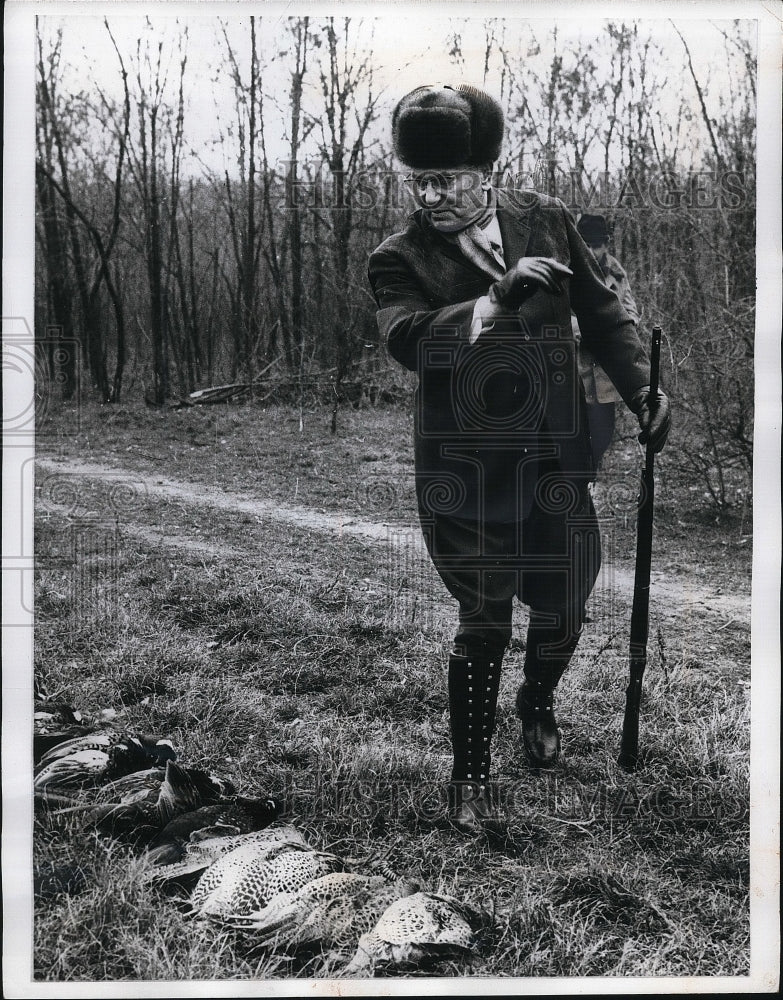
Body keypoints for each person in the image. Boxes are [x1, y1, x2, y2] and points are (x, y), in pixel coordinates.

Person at [367, 84, 670, 833]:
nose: (432, 195)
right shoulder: (397, 256)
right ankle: (471, 781)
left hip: (554, 455)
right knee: (484, 617)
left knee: (565, 602)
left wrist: (642, 394)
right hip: (462, 466)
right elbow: (409, 342)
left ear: (488, 174)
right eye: (419, 182)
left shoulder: (547, 220)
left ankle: (535, 701)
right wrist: (492, 303)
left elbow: (603, 314)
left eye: (447, 181)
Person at [572, 214, 640, 469]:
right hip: (572, 368)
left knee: (602, 434)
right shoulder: (567, 267)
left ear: (606, 244)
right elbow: (553, 317)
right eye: (585, 244)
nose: (590, 251)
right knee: (572, 432)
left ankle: (589, 475)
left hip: (604, 370)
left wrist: (620, 329)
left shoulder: (616, 273)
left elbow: (630, 311)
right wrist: (586, 328)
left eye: (596, 245)